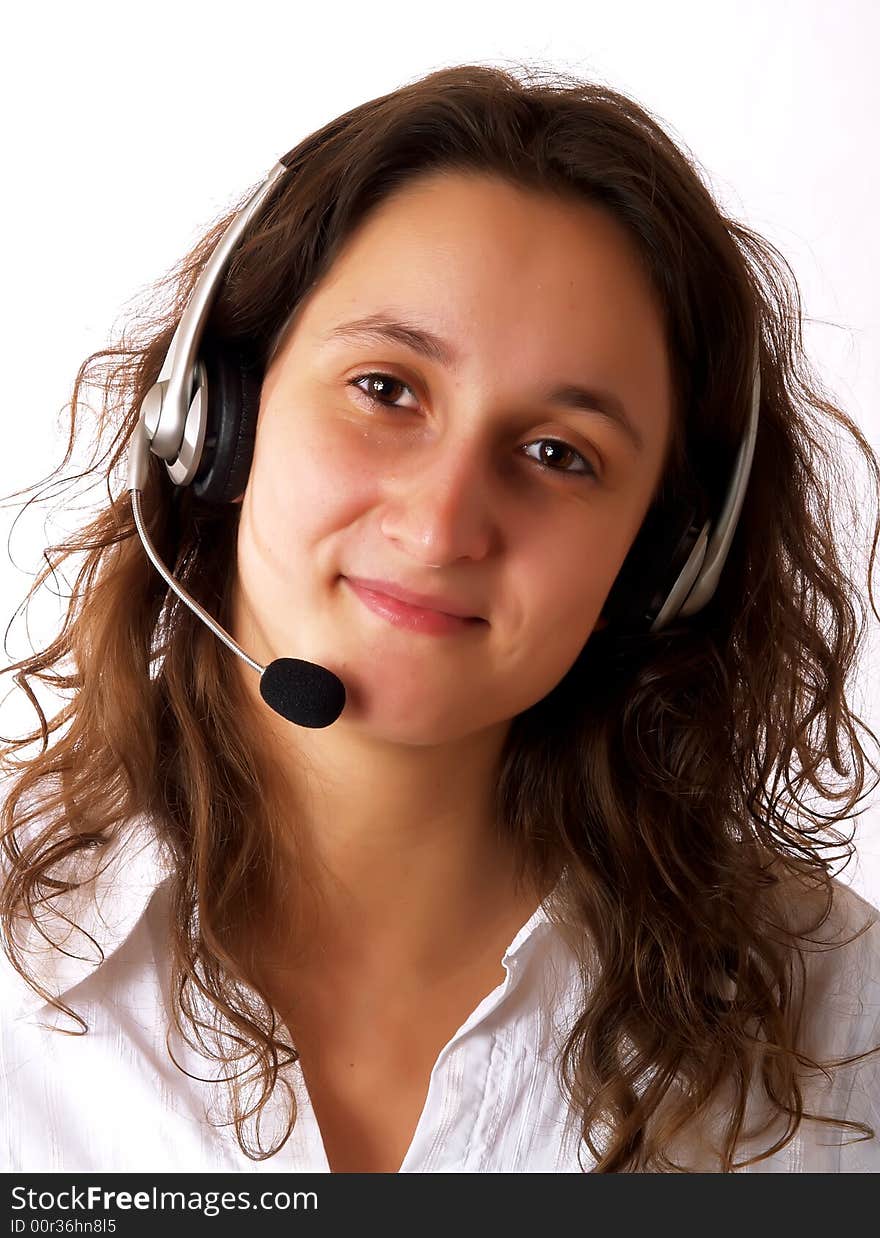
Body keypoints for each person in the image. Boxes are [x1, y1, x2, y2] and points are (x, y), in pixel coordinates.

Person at [1, 61, 879, 1175]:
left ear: (668, 562)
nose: (441, 523)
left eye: (559, 454)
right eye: (386, 387)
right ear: (213, 412)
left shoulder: (843, 1019)